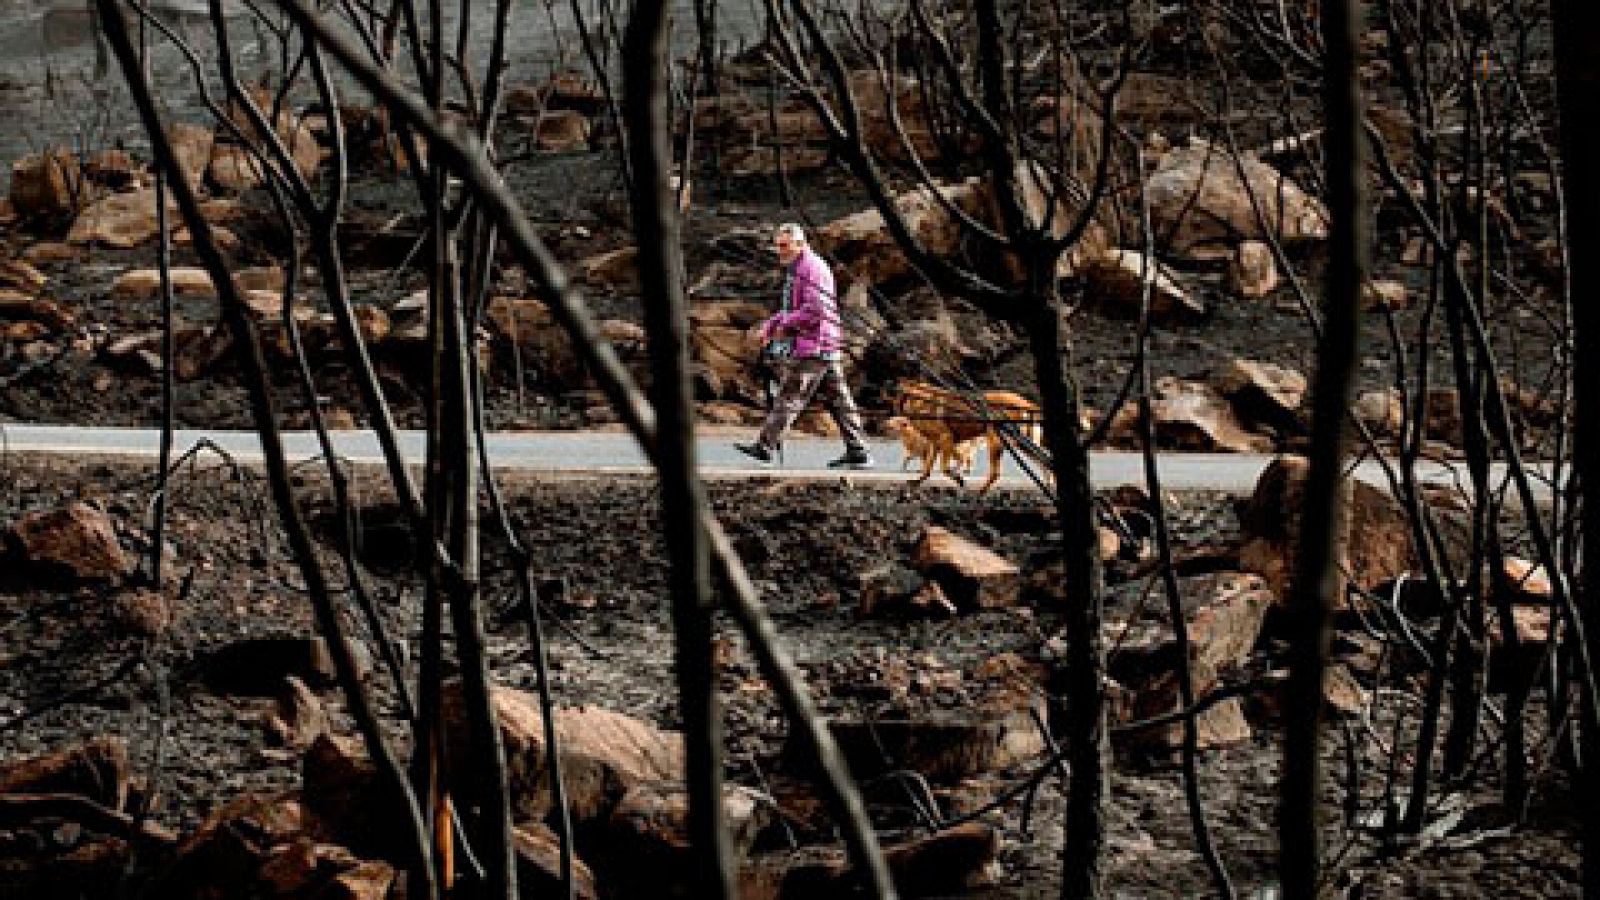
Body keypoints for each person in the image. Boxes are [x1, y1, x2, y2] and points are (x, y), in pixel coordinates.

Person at [735, 224, 873, 469]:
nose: (780, 251)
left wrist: (783, 326)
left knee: (790, 395)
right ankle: (858, 450)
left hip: (815, 343)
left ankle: (765, 446)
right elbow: (793, 308)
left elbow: (815, 310)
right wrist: (769, 327)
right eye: (778, 246)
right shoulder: (799, 267)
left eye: (784, 246)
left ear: (800, 244)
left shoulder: (811, 269)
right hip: (824, 343)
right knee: (839, 399)